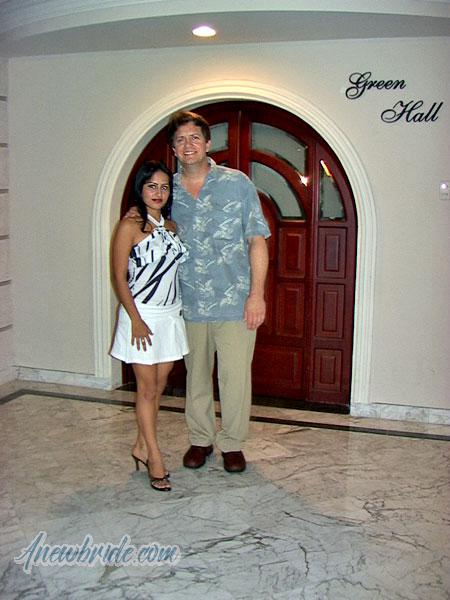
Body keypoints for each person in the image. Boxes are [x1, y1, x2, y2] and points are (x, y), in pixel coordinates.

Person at [167, 110, 270, 473]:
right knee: (195, 375)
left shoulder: (236, 183)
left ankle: (232, 443)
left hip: (235, 301)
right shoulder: (166, 190)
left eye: (195, 138)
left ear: (208, 143)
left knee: (235, 378)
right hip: (188, 303)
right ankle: (200, 439)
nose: (188, 145)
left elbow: (257, 240)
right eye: (180, 140)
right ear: (174, 149)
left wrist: (256, 295)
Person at [110, 160, 189, 491]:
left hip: (170, 315)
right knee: (145, 389)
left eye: (164, 187)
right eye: (151, 186)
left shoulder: (170, 226)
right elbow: (119, 278)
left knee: (158, 387)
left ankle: (141, 446)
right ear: (140, 189)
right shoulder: (129, 226)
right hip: (141, 316)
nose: (158, 192)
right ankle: (155, 458)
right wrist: (136, 320)